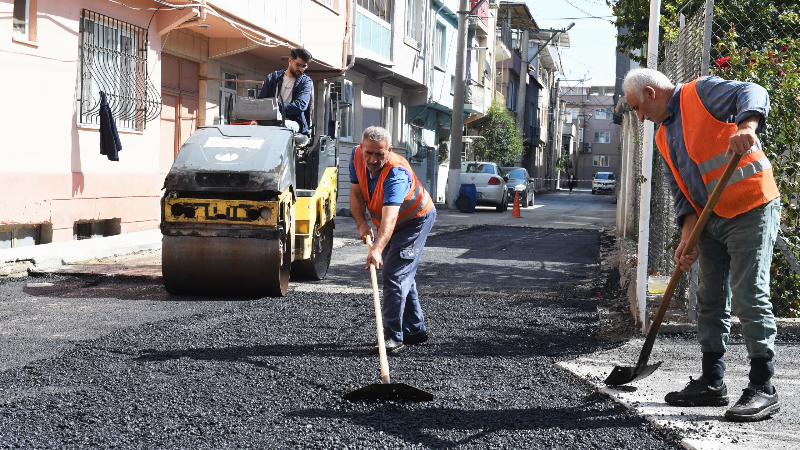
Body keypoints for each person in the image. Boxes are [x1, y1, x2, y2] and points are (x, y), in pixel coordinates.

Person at [623, 68, 781, 422]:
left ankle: (763, 386)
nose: (638, 116)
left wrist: (746, 127)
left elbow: (753, 89)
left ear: (650, 93)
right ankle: (712, 382)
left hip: (750, 205)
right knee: (708, 298)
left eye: (637, 107)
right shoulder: (663, 136)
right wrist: (688, 236)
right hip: (710, 220)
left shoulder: (701, 92)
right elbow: (682, 192)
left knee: (748, 294)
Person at [350, 126, 436, 354]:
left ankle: (392, 338)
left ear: (388, 151)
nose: (373, 159)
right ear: (361, 148)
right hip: (388, 224)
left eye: (379, 154)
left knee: (393, 273)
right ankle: (415, 329)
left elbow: (390, 219)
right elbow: (356, 194)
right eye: (368, 152)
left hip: (413, 221)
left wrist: (377, 249)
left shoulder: (396, 174)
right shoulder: (356, 156)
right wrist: (361, 224)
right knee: (401, 273)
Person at [258, 47, 313, 135]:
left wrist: (274, 106)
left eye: (304, 66)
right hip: (269, 119)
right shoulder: (273, 78)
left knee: (279, 126)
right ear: (290, 60)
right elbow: (261, 101)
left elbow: (300, 106)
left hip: (294, 121)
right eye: (298, 65)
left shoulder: (305, 82)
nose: (301, 69)